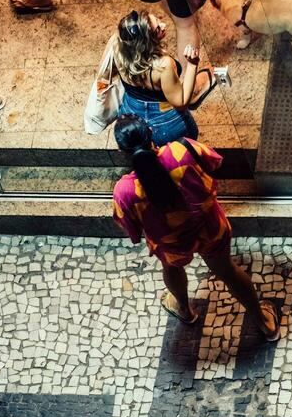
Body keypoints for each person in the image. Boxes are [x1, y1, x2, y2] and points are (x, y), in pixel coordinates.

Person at [110, 115, 278, 340]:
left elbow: (132, 230)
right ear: (151, 132)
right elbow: (215, 161)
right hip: (209, 227)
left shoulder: (124, 191)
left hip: (171, 242)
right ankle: (264, 322)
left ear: (122, 152)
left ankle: (184, 310)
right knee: (227, 271)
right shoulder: (182, 150)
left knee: (172, 269)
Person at [102, 10, 226, 145]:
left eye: (158, 20)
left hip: (131, 115)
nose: (164, 25)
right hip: (165, 123)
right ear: (146, 43)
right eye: (158, 29)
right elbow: (181, 102)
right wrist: (192, 65)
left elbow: (107, 72)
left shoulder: (118, 44)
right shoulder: (163, 65)